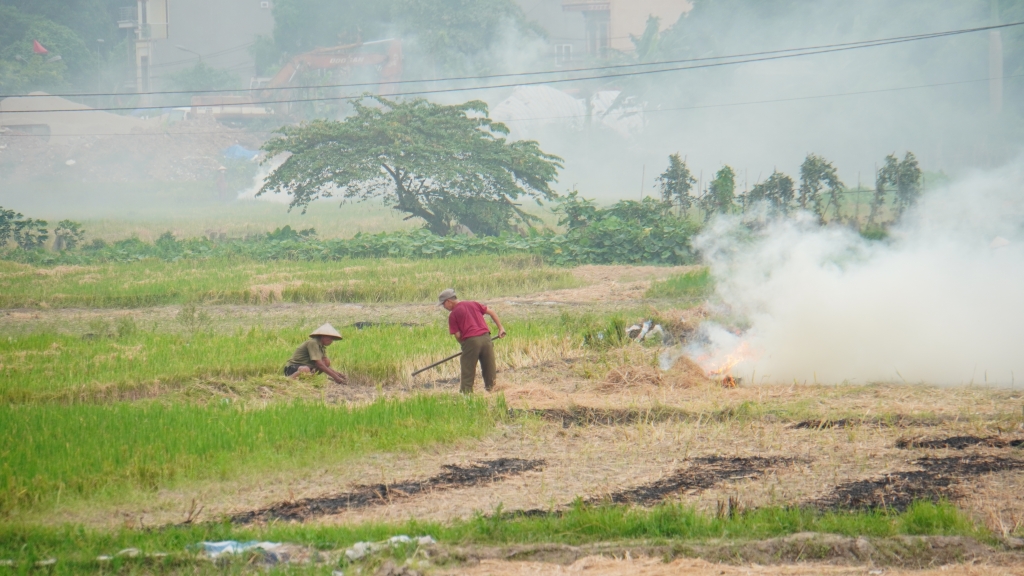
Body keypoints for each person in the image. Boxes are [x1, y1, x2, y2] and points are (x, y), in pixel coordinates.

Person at [438, 288, 506, 394]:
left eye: (443, 304)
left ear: (448, 301)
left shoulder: (453, 315)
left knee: (468, 370)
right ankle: (492, 391)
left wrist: (464, 345)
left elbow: (458, 335)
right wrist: (501, 328)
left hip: (471, 341)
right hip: (486, 339)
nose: (444, 307)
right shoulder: (473, 304)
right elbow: (492, 312)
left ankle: (466, 395)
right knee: (489, 368)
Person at [284, 323, 348, 384]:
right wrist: (336, 378)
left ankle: (308, 378)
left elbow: (324, 365)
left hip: (308, 367)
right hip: (293, 367)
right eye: (329, 338)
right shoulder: (313, 343)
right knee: (305, 369)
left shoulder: (321, 347)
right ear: (323, 336)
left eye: (332, 339)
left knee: (326, 361)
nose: (331, 341)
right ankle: (288, 380)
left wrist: (339, 375)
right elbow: (319, 364)